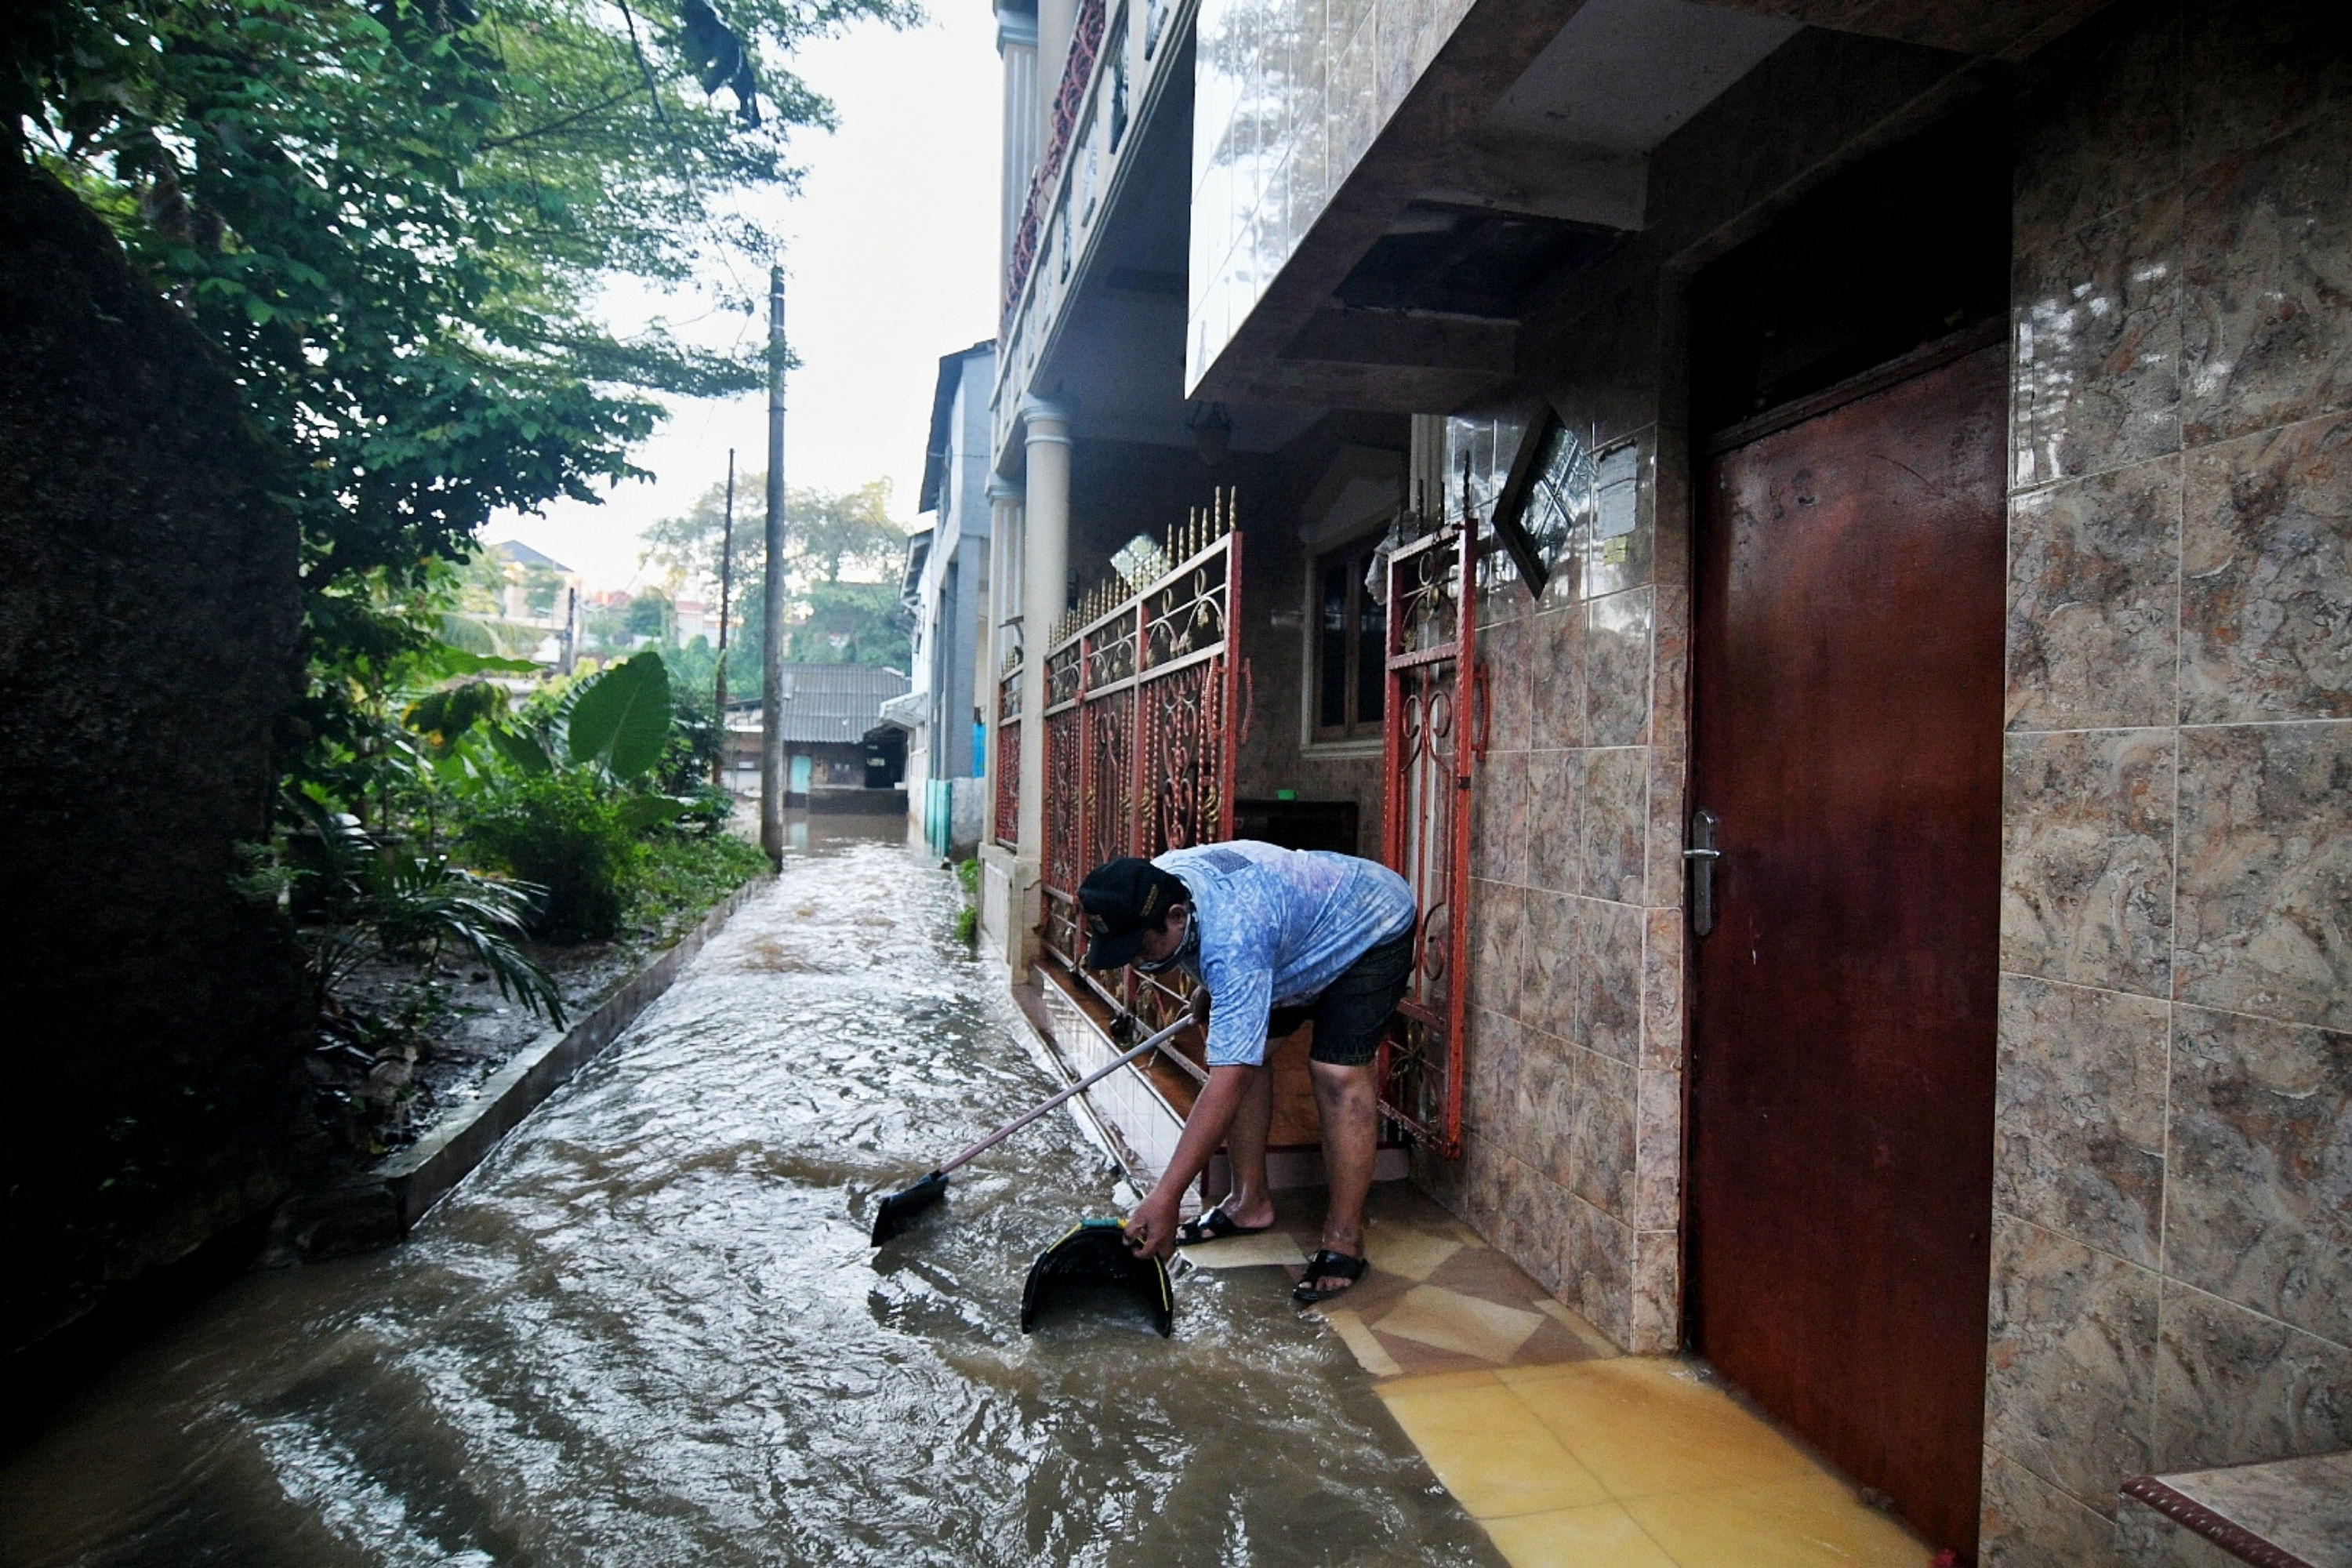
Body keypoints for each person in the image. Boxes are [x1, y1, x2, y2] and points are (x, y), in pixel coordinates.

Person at [1076, 841, 1417, 1305]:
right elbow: (1222, 957)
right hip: (1289, 941)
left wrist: (1167, 1196)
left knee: (1336, 1072)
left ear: (1177, 916)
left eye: (1139, 948)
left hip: (1368, 926)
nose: (1135, 962)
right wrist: (1214, 988)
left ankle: (1344, 1238)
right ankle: (1249, 1202)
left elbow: (1228, 1074)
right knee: (1241, 1047)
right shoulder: (1158, 883)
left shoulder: (1235, 934)